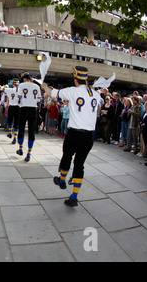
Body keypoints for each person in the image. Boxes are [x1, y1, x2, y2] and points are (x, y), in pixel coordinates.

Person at [42, 66, 103, 207]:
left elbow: (52, 93)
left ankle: (62, 180)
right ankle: (74, 197)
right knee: (79, 165)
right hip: (89, 135)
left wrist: (44, 87)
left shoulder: (72, 91)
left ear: (75, 79)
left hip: (75, 132)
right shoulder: (95, 94)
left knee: (67, 157)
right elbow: (98, 106)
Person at [16, 72, 42, 162]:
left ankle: (20, 149)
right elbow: (39, 100)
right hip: (33, 109)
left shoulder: (21, 85)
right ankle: (29, 153)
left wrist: (20, 102)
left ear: (24, 79)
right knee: (31, 131)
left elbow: (19, 98)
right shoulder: (37, 86)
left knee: (22, 128)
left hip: (23, 108)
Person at [0, 78, 20, 143]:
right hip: (18, 107)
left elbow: (0, 87)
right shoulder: (21, 91)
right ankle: (15, 138)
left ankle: (10, 133)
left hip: (11, 107)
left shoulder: (9, 90)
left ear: (13, 83)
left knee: (10, 121)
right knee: (16, 124)